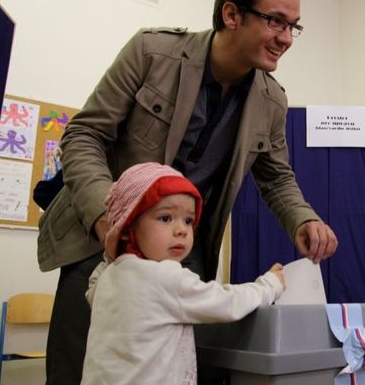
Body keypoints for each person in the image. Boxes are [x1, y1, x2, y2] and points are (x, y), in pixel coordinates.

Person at [37, 0, 338, 384]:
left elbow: (276, 176)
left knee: (173, 369)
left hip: (184, 249)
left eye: (294, 26)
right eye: (275, 21)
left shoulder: (272, 100)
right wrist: (110, 220)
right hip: (103, 237)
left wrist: (303, 218)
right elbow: (85, 135)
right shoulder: (151, 52)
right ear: (231, 14)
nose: (286, 38)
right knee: (78, 365)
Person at [81, 162, 284, 384]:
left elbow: (93, 286)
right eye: (165, 218)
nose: (181, 230)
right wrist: (270, 285)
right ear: (128, 226)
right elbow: (227, 303)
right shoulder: (168, 278)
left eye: (188, 220)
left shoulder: (107, 276)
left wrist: (113, 249)